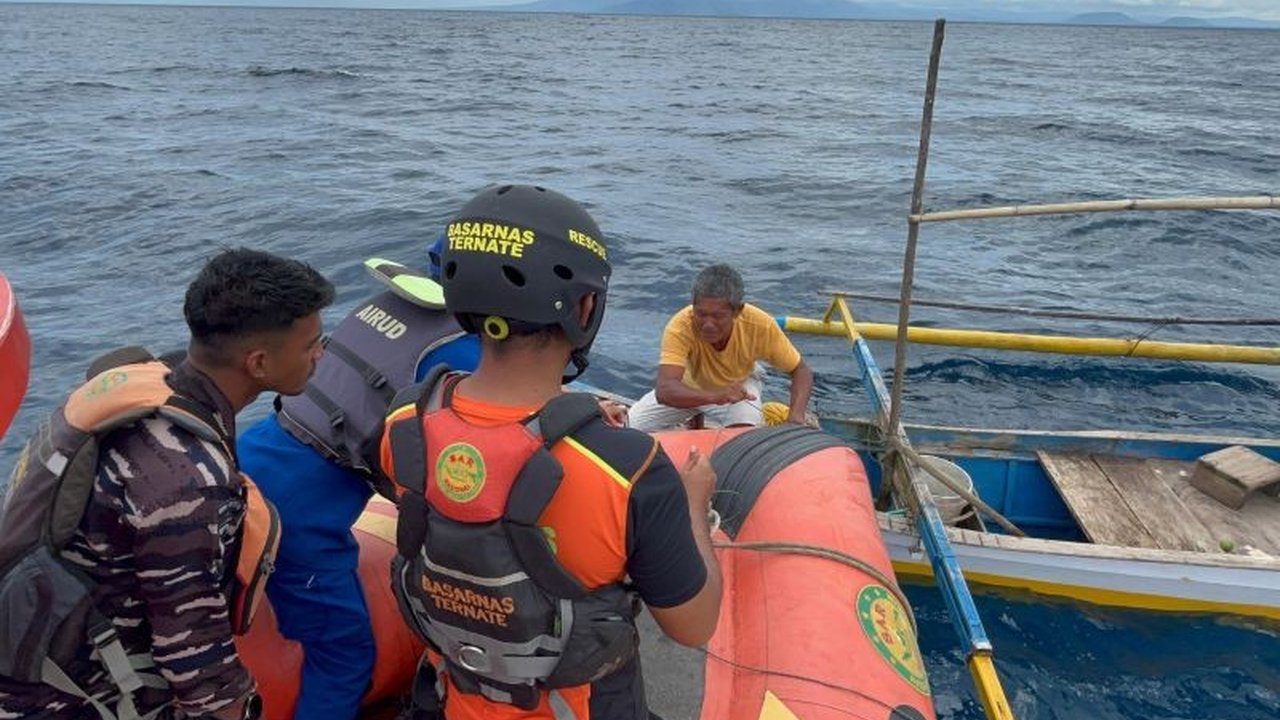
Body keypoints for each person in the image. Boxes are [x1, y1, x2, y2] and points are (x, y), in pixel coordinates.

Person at [379, 184, 722, 719]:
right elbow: (692, 626)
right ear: (585, 306)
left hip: (456, 697)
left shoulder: (405, 420)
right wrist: (696, 505)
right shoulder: (630, 468)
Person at [0, 248, 334, 720]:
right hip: (70, 698)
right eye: (312, 345)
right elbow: (195, 655)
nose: (321, 354)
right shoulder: (187, 481)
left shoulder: (147, 384)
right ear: (258, 364)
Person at [235, 238, 480, 720]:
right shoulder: (461, 347)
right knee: (345, 654)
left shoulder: (387, 304)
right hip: (301, 515)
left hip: (252, 454)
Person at [626, 263, 814, 431]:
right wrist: (715, 396)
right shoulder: (679, 326)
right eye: (701, 314)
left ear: (737, 311)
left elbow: (800, 370)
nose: (708, 324)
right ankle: (694, 419)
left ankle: (697, 422)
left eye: (717, 316)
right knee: (630, 426)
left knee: (745, 435)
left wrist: (795, 418)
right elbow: (665, 390)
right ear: (693, 307)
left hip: (738, 389)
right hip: (688, 389)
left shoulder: (760, 325)